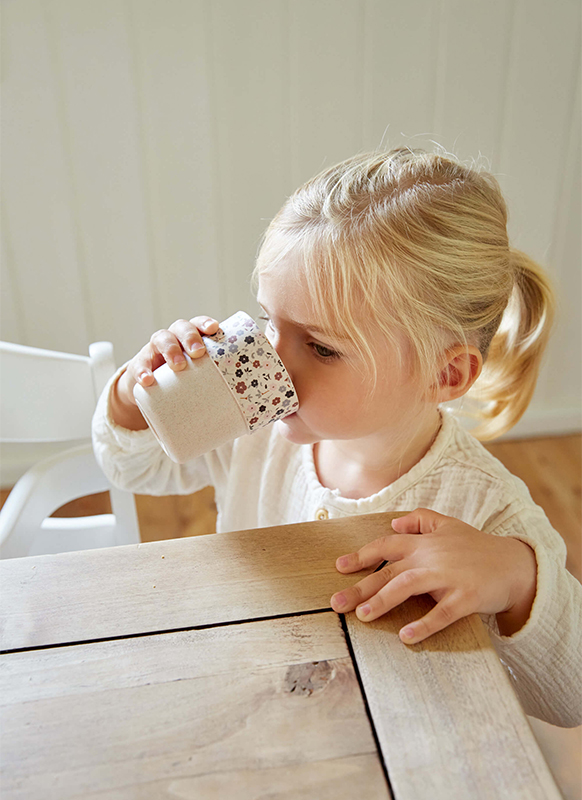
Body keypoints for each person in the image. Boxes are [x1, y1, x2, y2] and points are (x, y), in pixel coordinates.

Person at [92, 147, 581, 727]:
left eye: (321, 348)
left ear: (444, 375)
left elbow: (569, 697)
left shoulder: (486, 512)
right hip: (260, 695)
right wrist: (133, 393)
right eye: (271, 323)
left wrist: (519, 579)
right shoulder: (249, 428)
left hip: (397, 736)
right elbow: (132, 469)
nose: (271, 360)